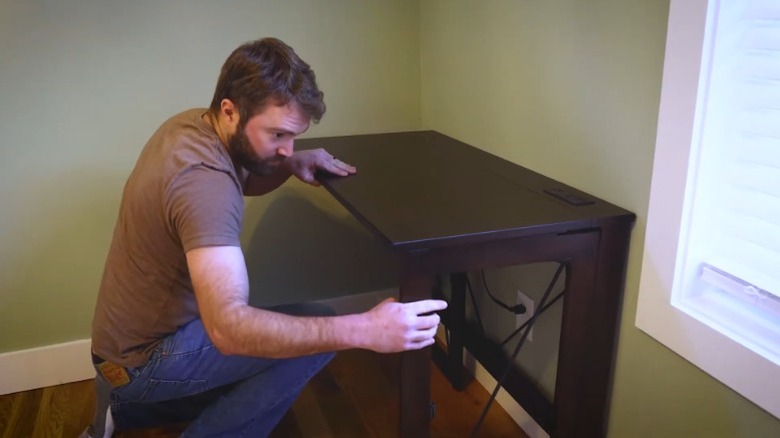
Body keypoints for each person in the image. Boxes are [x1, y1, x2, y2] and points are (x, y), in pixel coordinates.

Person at [82, 37, 447, 438]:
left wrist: (288, 164)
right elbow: (228, 328)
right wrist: (364, 329)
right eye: (278, 135)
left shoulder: (193, 127)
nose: (288, 147)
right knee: (319, 337)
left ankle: (127, 413)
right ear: (230, 111)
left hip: (120, 347)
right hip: (142, 362)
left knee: (285, 337)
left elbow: (244, 174)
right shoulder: (203, 185)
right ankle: (154, 411)